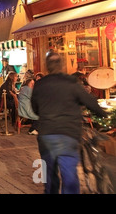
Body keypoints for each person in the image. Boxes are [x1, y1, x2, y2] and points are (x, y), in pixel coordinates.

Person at [31, 51, 108, 194]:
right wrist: (103, 113)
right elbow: (90, 101)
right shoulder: (71, 82)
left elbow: (34, 109)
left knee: (49, 173)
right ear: (62, 65)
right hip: (68, 133)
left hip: (47, 134)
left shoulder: (40, 84)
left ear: (47, 66)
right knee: (69, 173)